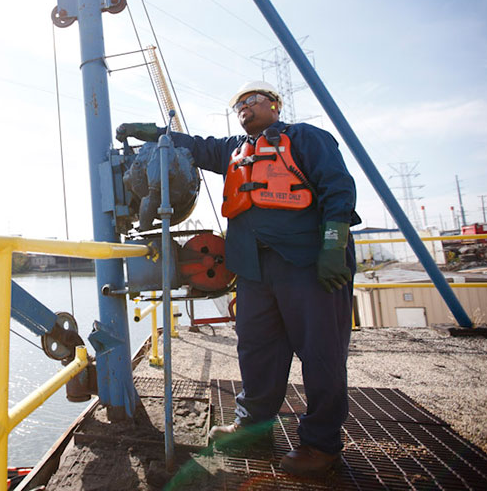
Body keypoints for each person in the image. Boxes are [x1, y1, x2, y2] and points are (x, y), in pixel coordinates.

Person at [116, 81, 360, 477]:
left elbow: (339, 188)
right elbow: (194, 145)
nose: (245, 107)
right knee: (257, 349)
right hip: (252, 267)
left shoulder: (307, 138)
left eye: (253, 100)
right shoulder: (233, 149)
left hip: (305, 260)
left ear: (276, 106)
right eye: (239, 105)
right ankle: (253, 427)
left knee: (321, 353)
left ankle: (321, 444)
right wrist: (159, 134)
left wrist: (333, 245)